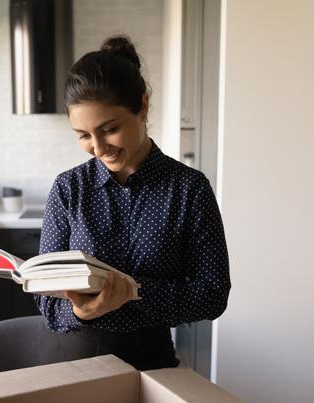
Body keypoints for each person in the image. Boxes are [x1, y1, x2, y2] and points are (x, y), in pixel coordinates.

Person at [33, 36, 231, 371]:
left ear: (142, 106)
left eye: (109, 129)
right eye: (83, 135)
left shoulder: (189, 189)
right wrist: (81, 311)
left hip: (152, 361)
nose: (98, 148)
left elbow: (212, 294)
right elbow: (44, 298)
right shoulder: (68, 188)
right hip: (74, 361)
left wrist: (134, 292)